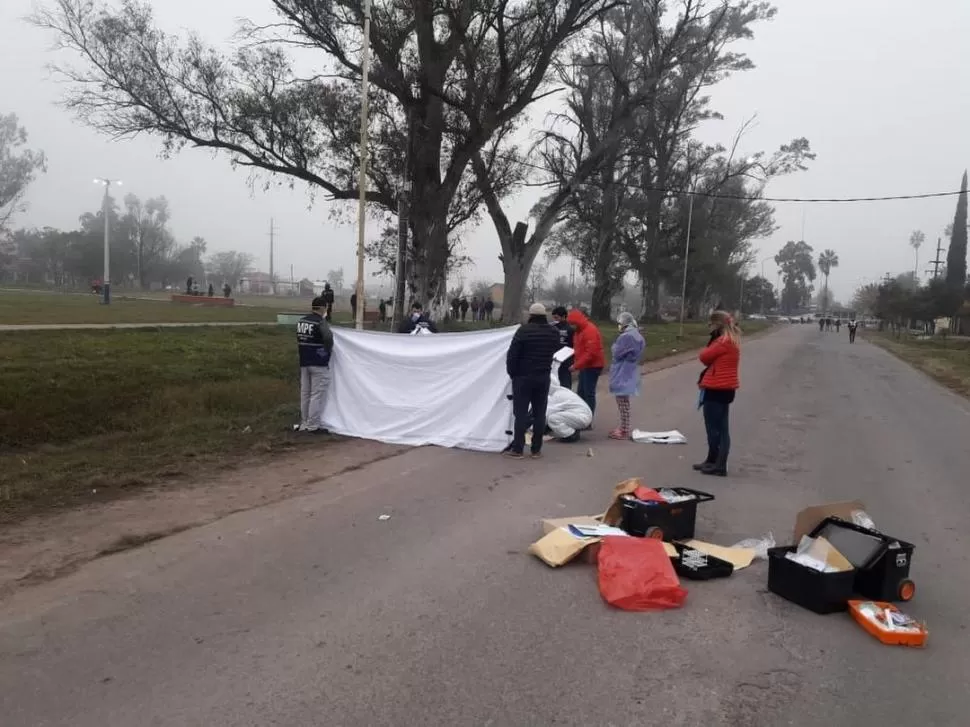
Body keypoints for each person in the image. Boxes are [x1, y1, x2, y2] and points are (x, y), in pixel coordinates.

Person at [505, 303, 561, 459]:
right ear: (544, 316)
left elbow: (512, 355)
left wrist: (512, 373)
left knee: (520, 413)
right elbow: (555, 349)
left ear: (531, 315)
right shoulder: (553, 332)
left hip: (523, 377)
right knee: (539, 414)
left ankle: (518, 449)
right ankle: (536, 450)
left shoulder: (523, 331)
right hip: (543, 377)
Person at [693, 310, 741, 477]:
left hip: (717, 388)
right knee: (719, 427)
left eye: (711, 324)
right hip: (725, 389)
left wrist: (713, 338)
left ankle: (719, 464)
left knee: (716, 429)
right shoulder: (731, 341)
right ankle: (712, 459)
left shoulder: (723, 342)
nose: (709, 326)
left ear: (717, 325)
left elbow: (704, 357)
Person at [296, 296, 334, 433]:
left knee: (305, 393)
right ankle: (313, 426)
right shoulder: (320, 322)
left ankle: (304, 422)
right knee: (316, 394)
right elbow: (328, 338)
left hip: (304, 362)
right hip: (318, 363)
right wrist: (327, 352)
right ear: (323, 307)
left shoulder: (301, 321)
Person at [608, 312, 646, 440]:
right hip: (630, 369)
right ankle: (624, 427)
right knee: (624, 401)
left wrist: (614, 347)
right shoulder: (637, 335)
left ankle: (624, 429)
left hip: (623, 370)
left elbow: (617, 352)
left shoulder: (626, 337)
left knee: (622, 402)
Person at [567, 308, 606, 420]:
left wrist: (576, 366)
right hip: (585, 365)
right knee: (581, 392)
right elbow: (579, 349)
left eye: (572, 324)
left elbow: (591, 353)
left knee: (588, 392)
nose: (571, 327)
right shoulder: (579, 331)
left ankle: (588, 418)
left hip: (593, 365)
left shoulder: (589, 331)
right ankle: (582, 416)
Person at [550, 306, 574, 389]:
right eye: (553, 318)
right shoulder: (551, 328)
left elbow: (573, 346)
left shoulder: (570, 329)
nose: (555, 320)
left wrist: (573, 362)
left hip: (565, 361)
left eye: (556, 318)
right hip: (553, 360)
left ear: (563, 317)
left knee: (565, 384)